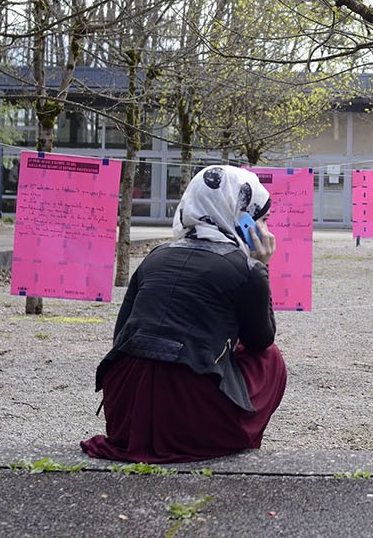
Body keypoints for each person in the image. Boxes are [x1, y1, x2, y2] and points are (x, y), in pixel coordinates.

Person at [81, 165, 287, 463]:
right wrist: (261, 265)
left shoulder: (156, 256)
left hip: (127, 412)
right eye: (263, 219)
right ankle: (239, 435)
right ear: (242, 216)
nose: (267, 230)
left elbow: (121, 336)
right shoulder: (247, 270)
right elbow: (260, 340)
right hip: (191, 419)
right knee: (271, 359)